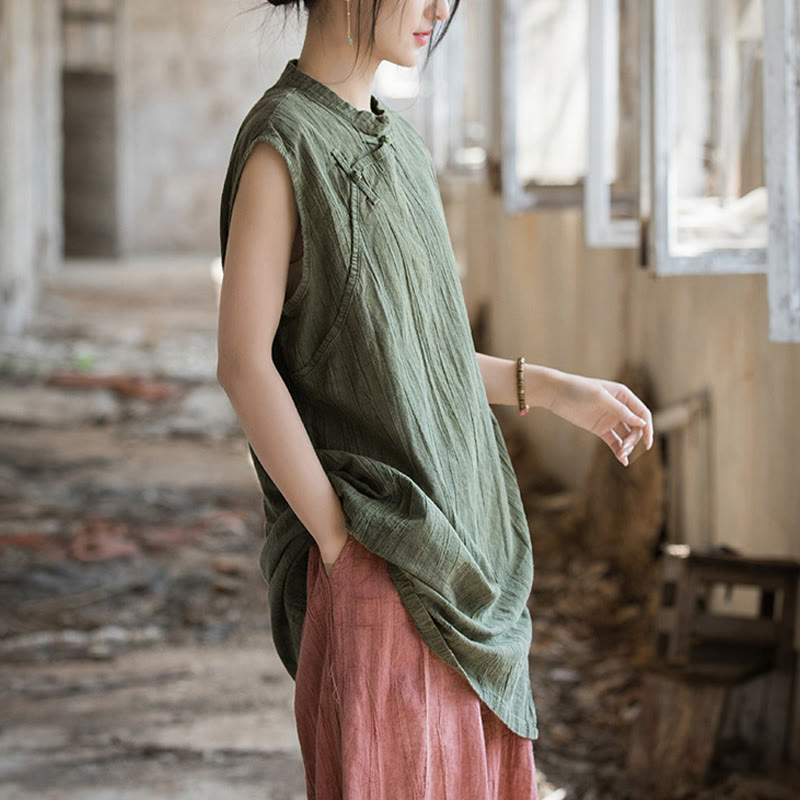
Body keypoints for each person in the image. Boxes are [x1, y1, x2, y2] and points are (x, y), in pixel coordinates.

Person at [216, 1, 654, 797]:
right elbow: (245, 364)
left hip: (461, 554)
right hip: (381, 561)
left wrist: (559, 392)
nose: (439, 6)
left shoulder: (400, 143)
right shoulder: (284, 147)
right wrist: (341, 537)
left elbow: (421, 354)